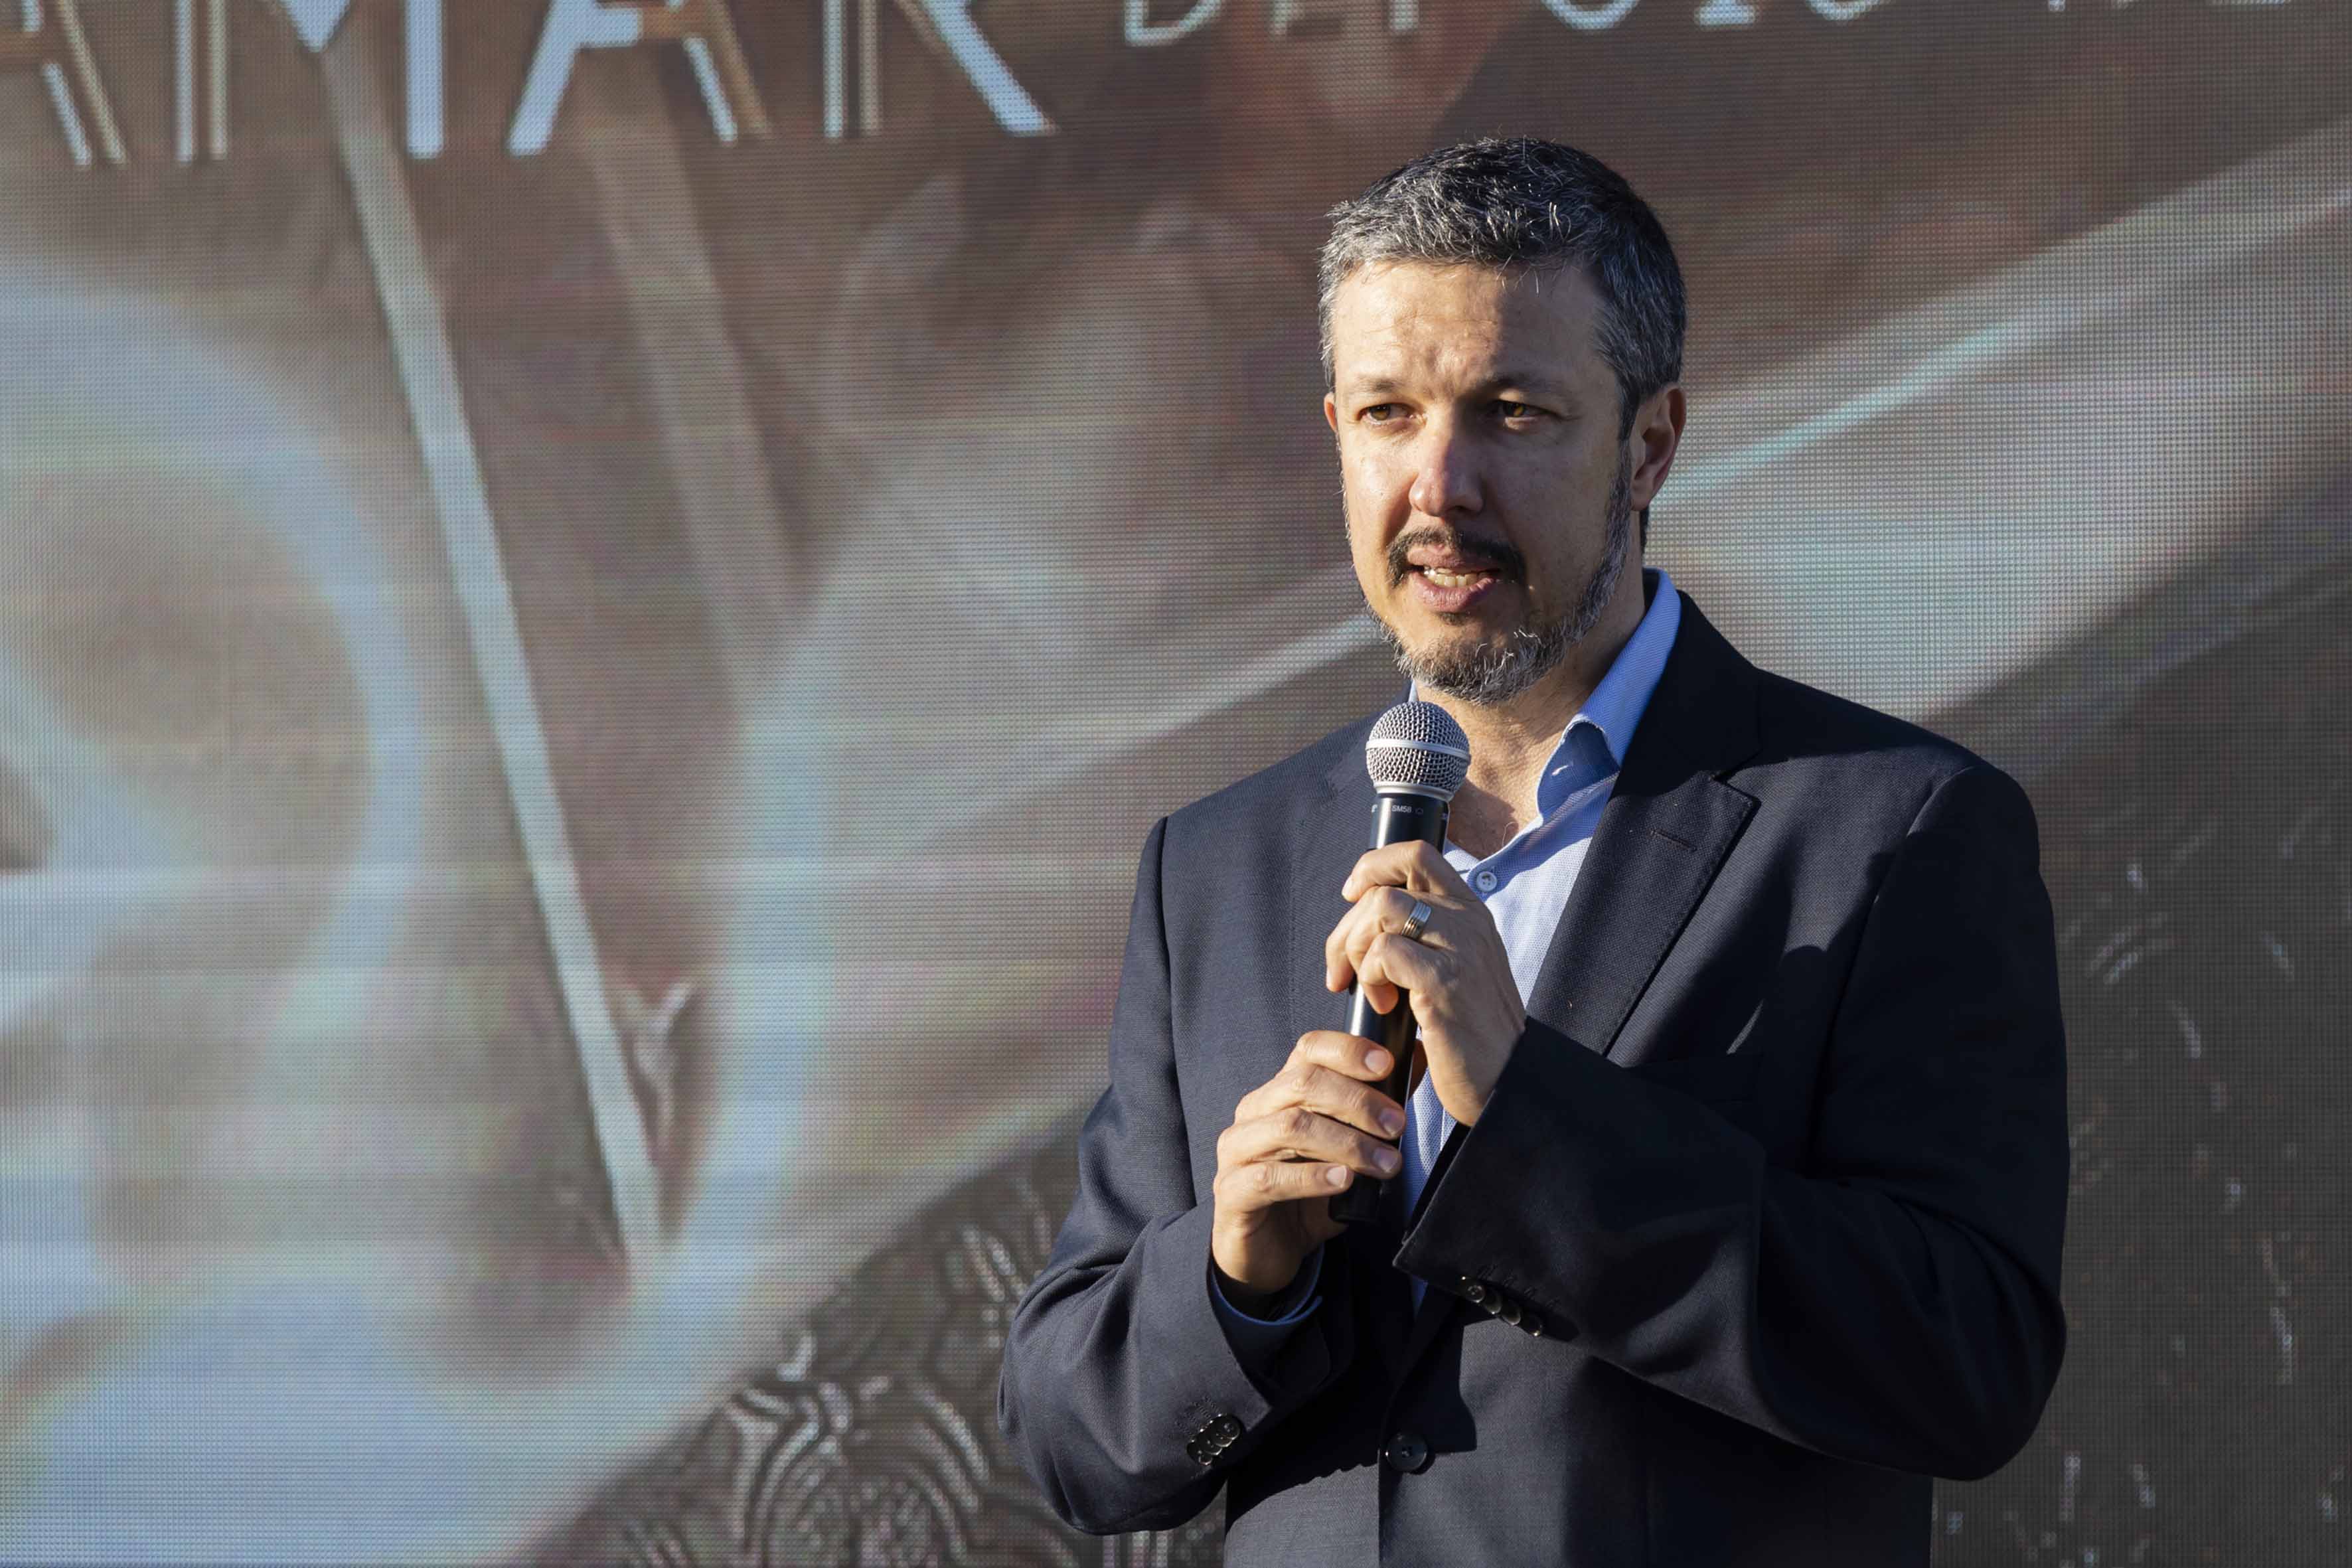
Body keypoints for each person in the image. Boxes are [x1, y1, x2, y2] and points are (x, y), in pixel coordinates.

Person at [996, 138, 2071, 1566]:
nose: (1438, 486)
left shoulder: (1895, 828)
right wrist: (1234, 1274)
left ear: (1650, 443)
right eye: (1387, 413)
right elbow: (1074, 1442)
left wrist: (1536, 1118)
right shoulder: (1213, 866)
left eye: (1509, 413)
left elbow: (1965, 1361)